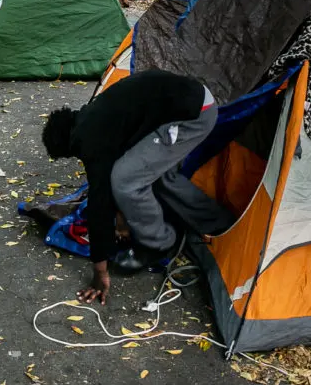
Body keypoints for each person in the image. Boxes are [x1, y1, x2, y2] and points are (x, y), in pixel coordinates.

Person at [42, 69, 235, 305]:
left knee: (126, 180)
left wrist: (100, 271)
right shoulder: (92, 116)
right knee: (153, 174)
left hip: (192, 116)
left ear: (68, 147)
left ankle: (158, 244)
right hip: (197, 100)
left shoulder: (90, 139)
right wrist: (122, 221)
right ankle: (220, 224)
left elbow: (99, 203)